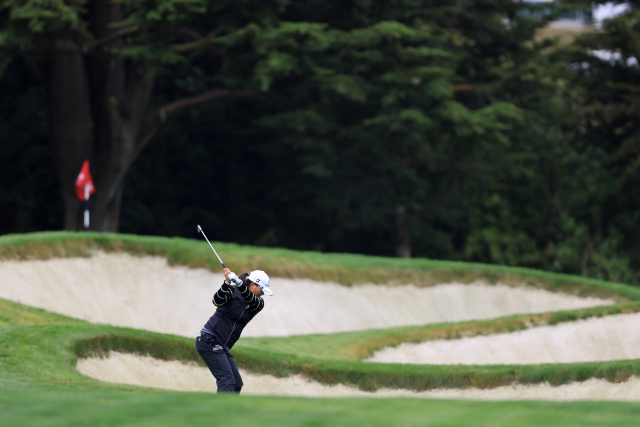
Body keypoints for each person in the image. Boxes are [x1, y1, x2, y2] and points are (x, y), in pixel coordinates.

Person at [196, 268, 273, 393]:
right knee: (227, 381)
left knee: (236, 384)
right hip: (209, 339)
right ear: (253, 284)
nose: (263, 293)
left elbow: (249, 297)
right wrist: (226, 283)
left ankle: (229, 411)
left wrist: (239, 284)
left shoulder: (258, 303)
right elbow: (216, 301)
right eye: (262, 289)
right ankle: (220, 413)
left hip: (222, 345)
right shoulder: (232, 291)